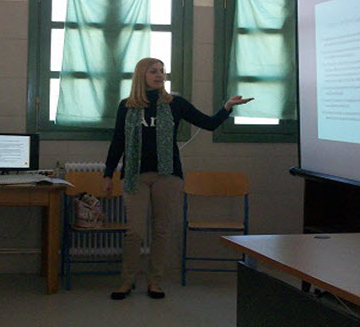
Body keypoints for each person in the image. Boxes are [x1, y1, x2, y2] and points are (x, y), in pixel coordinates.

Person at [103, 57, 253, 300]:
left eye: (162, 71)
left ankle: (155, 281)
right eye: (153, 71)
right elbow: (118, 142)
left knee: (160, 230)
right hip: (134, 176)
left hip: (168, 175)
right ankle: (126, 281)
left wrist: (226, 107)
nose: (160, 75)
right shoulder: (127, 106)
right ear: (142, 75)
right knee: (134, 232)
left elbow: (209, 124)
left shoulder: (175, 103)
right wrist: (108, 174)